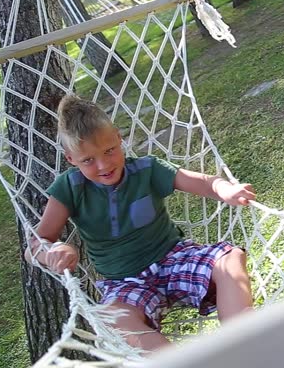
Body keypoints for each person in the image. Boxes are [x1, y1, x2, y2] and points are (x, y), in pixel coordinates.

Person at [26, 94, 255, 351]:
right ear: (70, 158)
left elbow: (202, 182)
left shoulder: (147, 170)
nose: (103, 165)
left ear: (118, 137)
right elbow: (37, 244)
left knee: (229, 257)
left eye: (109, 150)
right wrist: (54, 251)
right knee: (112, 320)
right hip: (124, 282)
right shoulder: (70, 188)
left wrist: (224, 189)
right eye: (88, 160)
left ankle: (244, 341)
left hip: (173, 259)